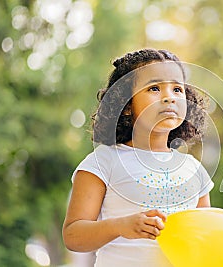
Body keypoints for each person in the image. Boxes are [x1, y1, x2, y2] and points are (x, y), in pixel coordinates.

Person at [62, 48, 214, 266]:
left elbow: (206, 239)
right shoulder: (103, 161)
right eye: (154, 88)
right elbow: (73, 236)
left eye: (177, 89)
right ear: (125, 105)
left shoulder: (194, 170)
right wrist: (120, 226)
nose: (169, 97)